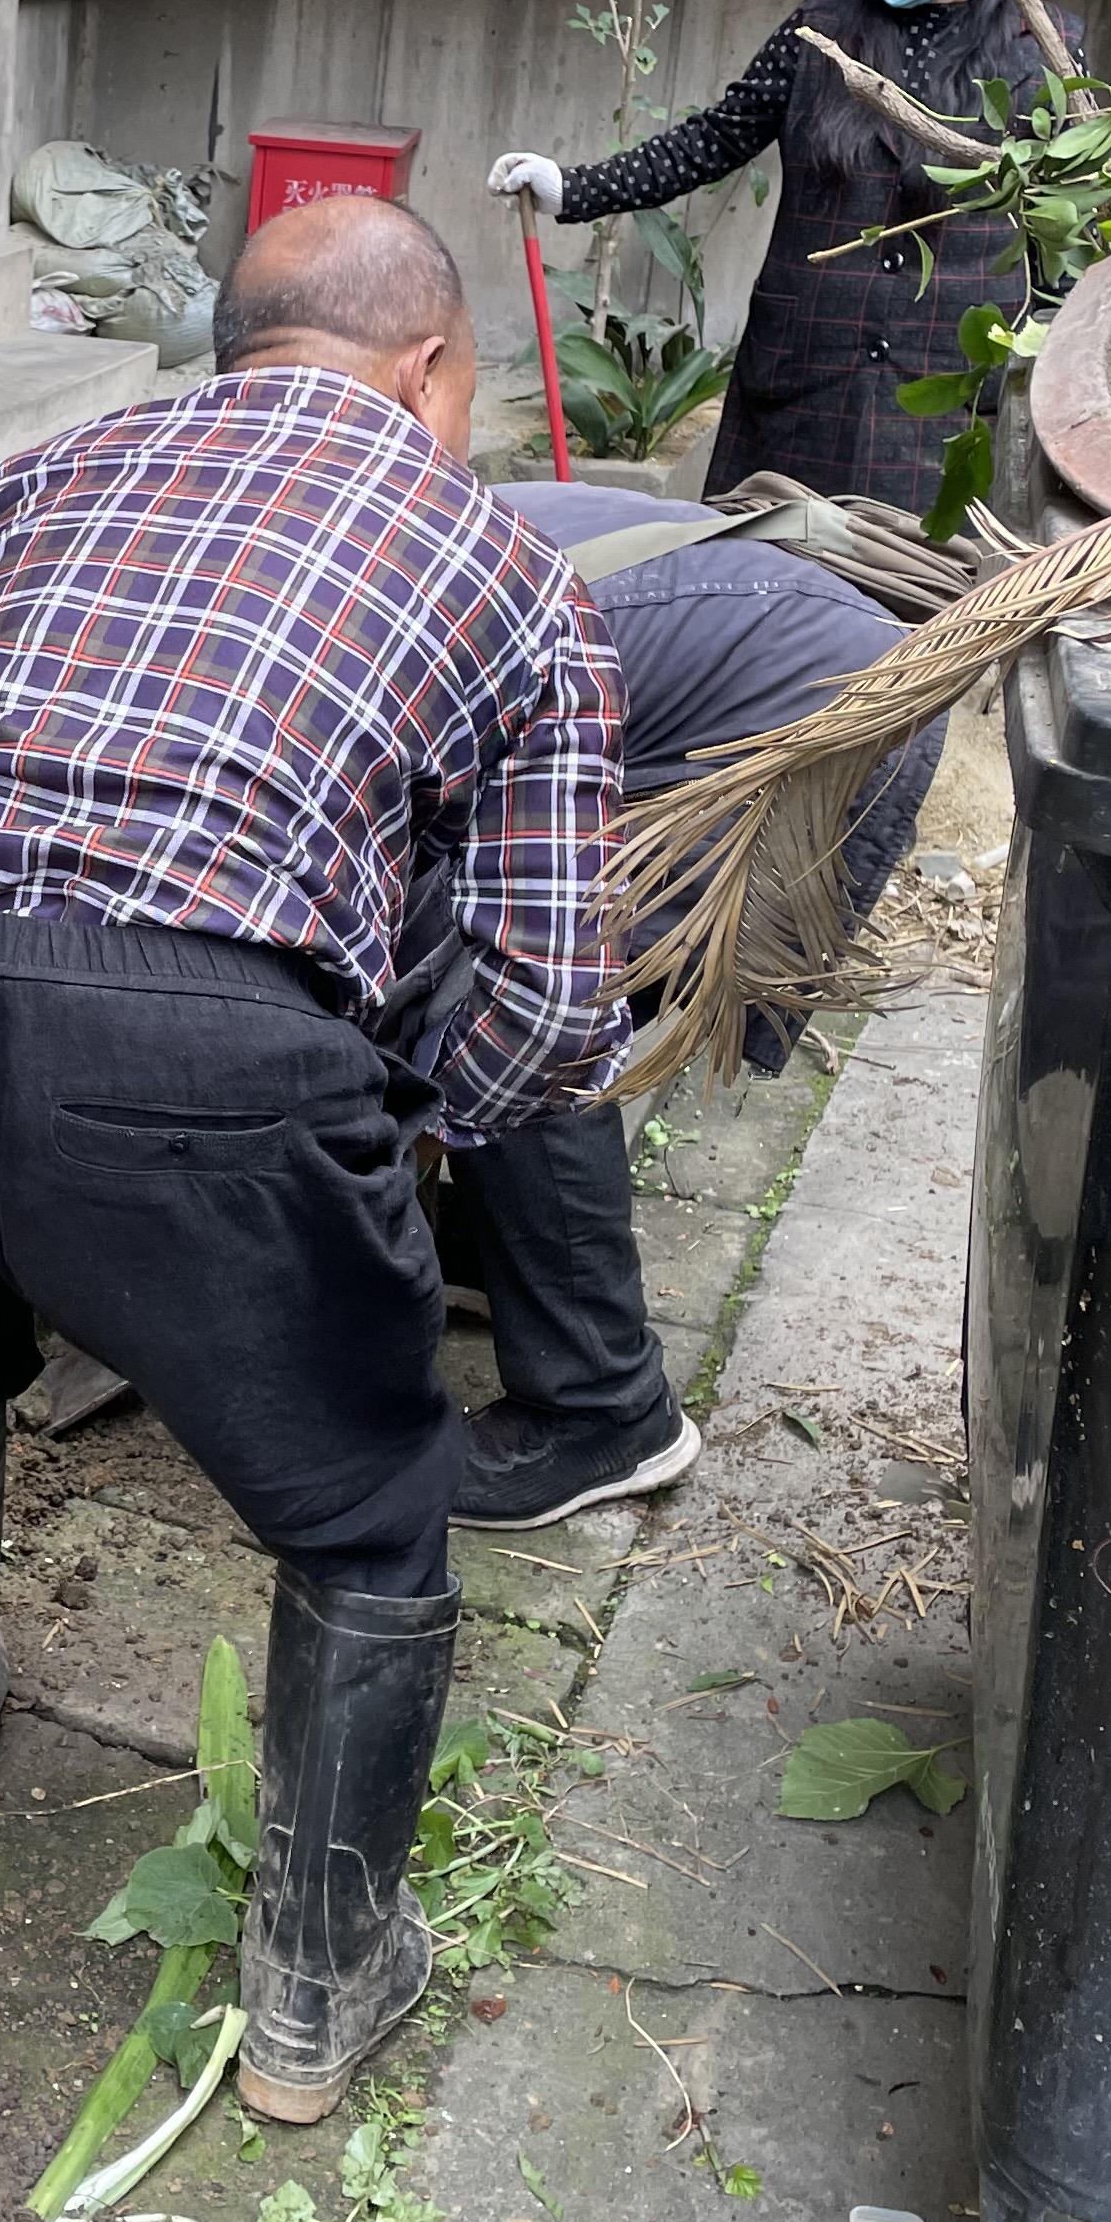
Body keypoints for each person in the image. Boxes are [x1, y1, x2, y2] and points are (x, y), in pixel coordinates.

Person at [0, 195, 625, 2126]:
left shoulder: (26, 477)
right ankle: (318, 1981)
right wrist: (374, 1125)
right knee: (362, 1508)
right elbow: (551, 1009)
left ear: (240, 340)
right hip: (208, 1060)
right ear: (431, 363)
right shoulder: (499, 571)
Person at [426, 486, 947, 1530]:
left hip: (801, 707)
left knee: (520, 998)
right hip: (739, 654)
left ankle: (602, 1413)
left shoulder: (395, 649)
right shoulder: (313, 590)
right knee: (493, 976)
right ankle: (495, 1257)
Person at [490, 0, 1046, 516]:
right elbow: (714, 139)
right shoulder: (820, 29)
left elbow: (1061, 228)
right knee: (767, 578)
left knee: (918, 594)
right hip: (803, 384)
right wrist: (573, 187)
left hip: (942, 400)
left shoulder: (1040, 56)